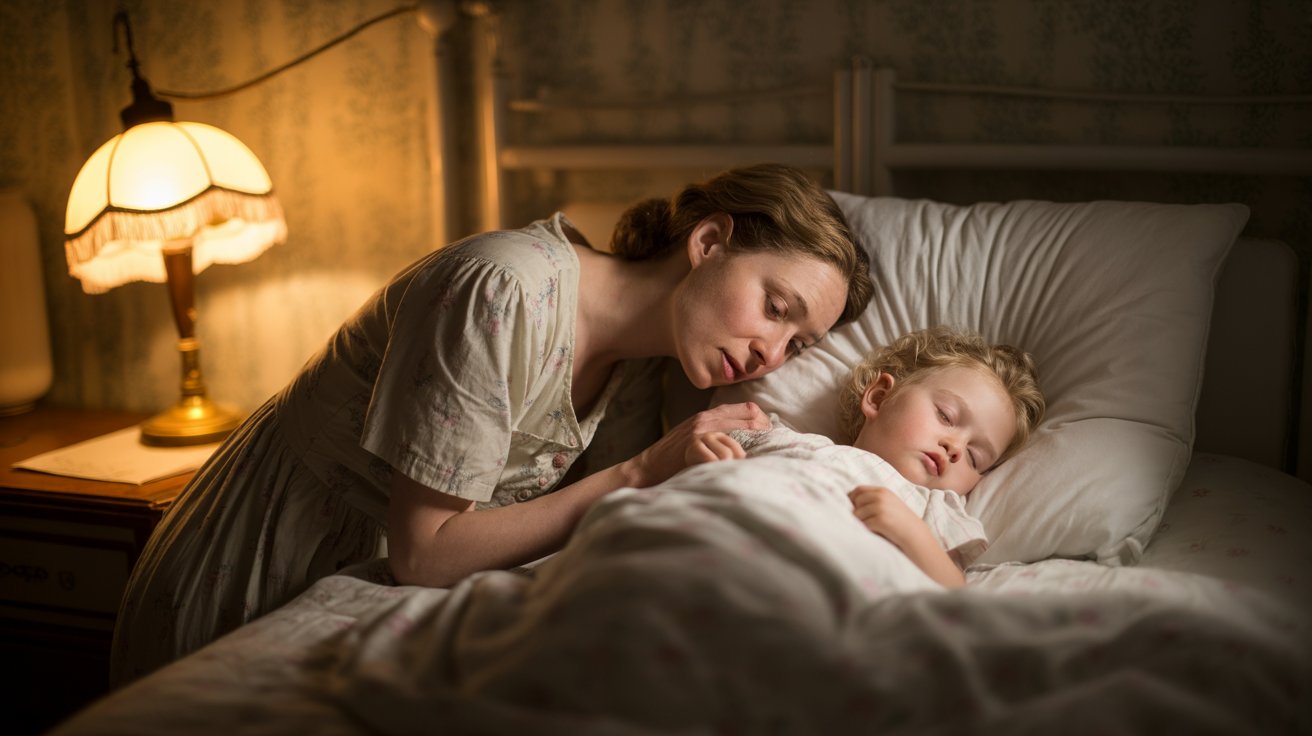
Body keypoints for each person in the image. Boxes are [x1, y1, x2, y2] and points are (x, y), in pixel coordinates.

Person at [110, 163, 875, 685]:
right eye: (777, 309)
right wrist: (643, 470)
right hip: (260, 562)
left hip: (378, 604)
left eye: (798, 345)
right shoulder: (500, 289)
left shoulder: (651, 367)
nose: (770, 354)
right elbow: (425, 553)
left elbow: (587, 528)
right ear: (708, 242)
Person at [686, 326, 1045, 588]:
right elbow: (713, 467)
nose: (954, 448)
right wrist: (706, 458)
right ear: (878, 397)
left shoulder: (932, 508)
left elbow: (954, 593)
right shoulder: (790, 439)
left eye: (974, 457)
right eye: (946, 417)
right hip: (727, 546)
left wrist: (911, 532)